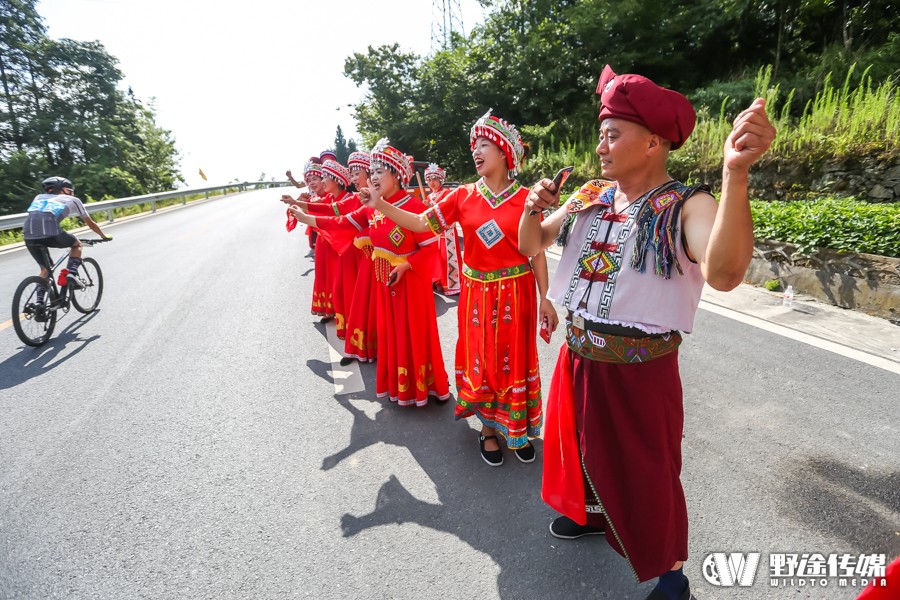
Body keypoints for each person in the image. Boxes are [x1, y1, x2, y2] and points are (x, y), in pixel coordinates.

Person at [518, 65, 776, 600]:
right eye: (601, 133)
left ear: (654, 142)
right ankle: (592, 517)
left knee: (648, 474)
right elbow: (531, 242)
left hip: (640, 371)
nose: (601, 146)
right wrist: (530, 207)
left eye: (613, 134)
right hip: (580, 353)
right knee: (583, 450)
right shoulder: (592, 194)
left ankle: (670, 572)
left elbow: (725, 274)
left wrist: (735, 176)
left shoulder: (688, 205)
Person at [363, 111, 554, 466]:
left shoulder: (527, 198)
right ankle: (488, 430)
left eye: (483, 145)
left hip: (518, 291)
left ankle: (518, 426)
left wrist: (547, 298)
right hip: (478, 295)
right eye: (474, 147)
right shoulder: (463, 196)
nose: (476, 152)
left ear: (504, 152)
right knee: (483, 360)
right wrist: (382, 206)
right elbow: (422, 223)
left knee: (516, 360)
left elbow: (537, 252)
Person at [290, 140, 451, 406]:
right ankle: (399, 388)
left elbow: (431, 248)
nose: (373, 177)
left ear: (397, 175)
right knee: (391, 334)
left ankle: (424, 388)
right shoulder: (371, 207)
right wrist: (304, 215)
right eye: (372, 171)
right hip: (384, 284)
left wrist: (406, 265)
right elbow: (340, 221)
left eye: (380, 171)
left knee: (413, 333)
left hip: (410, 283)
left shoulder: (414, 208)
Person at [23, 176, 109, 295]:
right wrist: (103, 236)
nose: (71, 192)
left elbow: (36, 216)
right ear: (62, 189)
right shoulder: (73, 200)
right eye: (69, 189)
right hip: (50, 231)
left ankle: (39, 303)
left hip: (28, 233)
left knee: (45, 269)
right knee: (77, 244)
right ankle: (71, 273)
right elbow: (91, 224)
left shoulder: (38, 197)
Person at [423, 163, 461, 296]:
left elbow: (448, 210)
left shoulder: (447, 193)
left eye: (434, 179)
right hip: (435, 233)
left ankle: (452, 284)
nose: (431, 182)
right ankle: (439, 281)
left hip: (447, 231)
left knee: (448, 257)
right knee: (438, 258)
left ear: (441, 179)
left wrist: (430, 206)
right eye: (429, 180)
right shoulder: (429, 196)